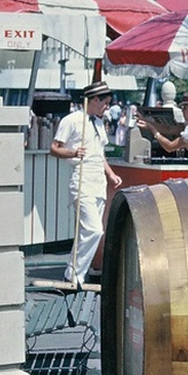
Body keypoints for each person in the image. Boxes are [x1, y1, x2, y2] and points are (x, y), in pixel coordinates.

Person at [51, 80, 123, 286]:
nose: (107, 107)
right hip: (81, 180)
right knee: (94, 230)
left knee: (87, 232)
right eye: (105, 103)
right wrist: (73, 152)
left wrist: (110, 174)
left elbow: (99, 154)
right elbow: (54, 148)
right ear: (93, 100)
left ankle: (73, 274)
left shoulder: (99, 123)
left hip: (98, 183)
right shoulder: (72, 120)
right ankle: (74, 274)